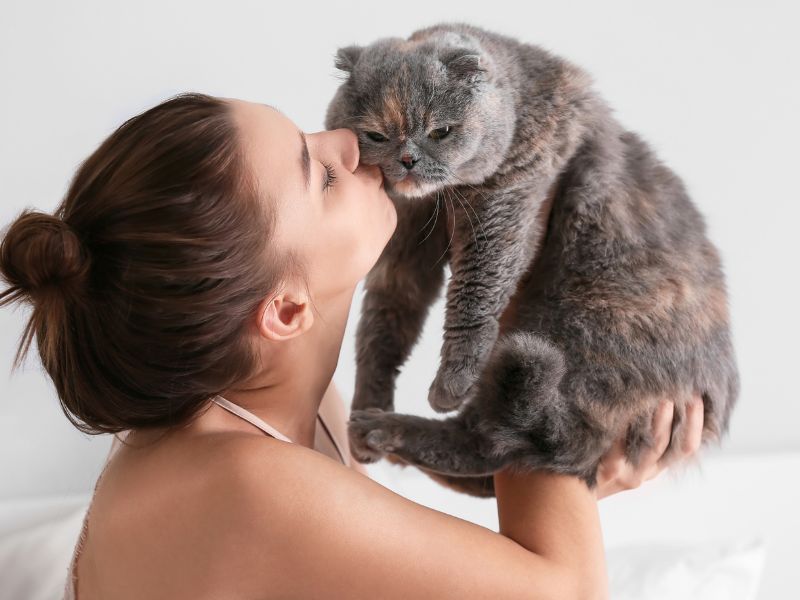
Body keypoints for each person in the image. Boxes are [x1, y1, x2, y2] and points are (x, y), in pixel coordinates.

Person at [0, 93, 704, 600]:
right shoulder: (248, 483)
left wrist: (575, 480)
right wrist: (521, 300)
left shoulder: (274, 411)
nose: (345, 139)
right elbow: (569, 595)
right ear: (284, 309)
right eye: (321, 173)